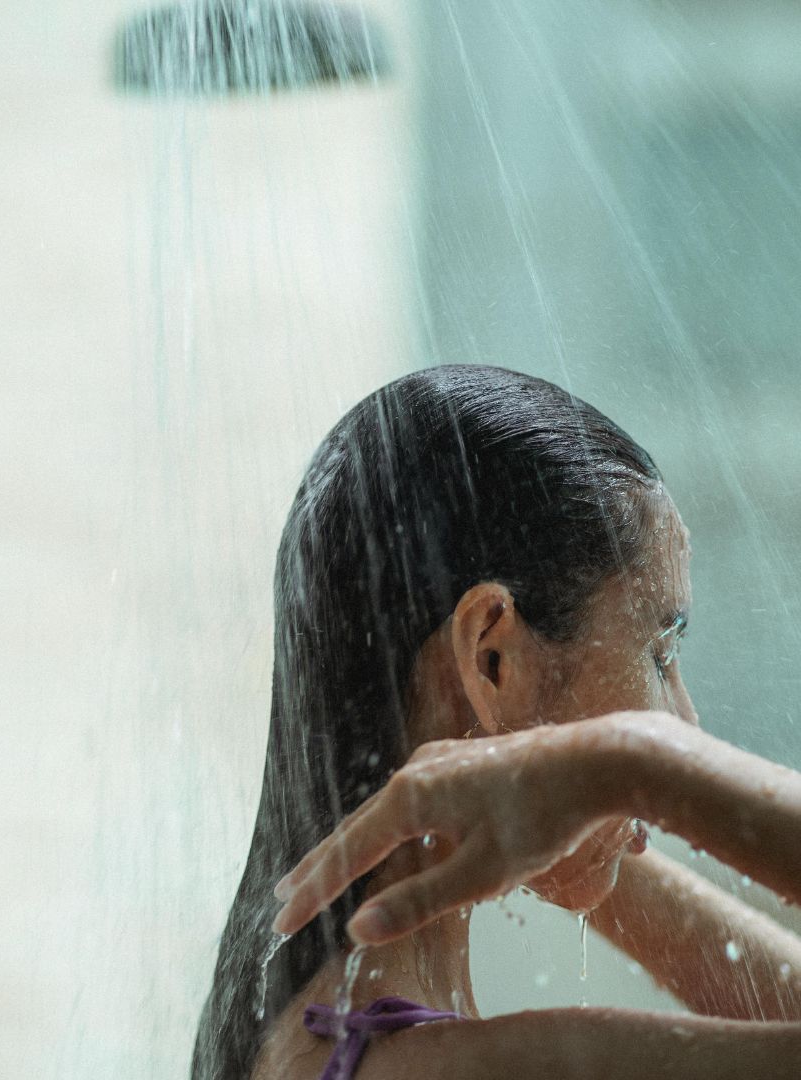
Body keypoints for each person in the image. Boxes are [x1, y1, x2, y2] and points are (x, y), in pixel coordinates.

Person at [190, 365, 801, 1080]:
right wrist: (634, 763)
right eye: (659, 653)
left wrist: (554, 810)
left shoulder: (349, 1039)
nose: (686, 722)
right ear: (492, 659)